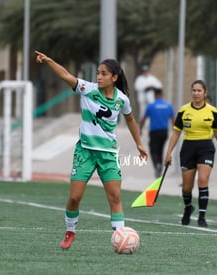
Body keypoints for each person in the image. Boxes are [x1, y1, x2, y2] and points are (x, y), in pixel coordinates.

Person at [34, 51, 148, 249]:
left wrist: (138, 143)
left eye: (104, 73)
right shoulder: (87, 89)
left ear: (114, 77)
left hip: (108, 153)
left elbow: (130, 119)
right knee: (74, 197)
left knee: (115, 196)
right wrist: (50, 61)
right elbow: (65, 76)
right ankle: (70, 231)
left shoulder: (122, 99)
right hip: (85, 152)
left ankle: (120, 237)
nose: (99, 77)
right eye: (98, 73)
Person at [164, 80, 217, 227]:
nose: (196, 93)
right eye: (194, 90)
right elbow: (176, 133)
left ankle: (202, 217)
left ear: (205, 93)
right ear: (191, 92)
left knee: (202, 180)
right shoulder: (183, 110)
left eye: (199, 91)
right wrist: (168, 153)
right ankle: (188, 208)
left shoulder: (212, 111)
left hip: (205, 147)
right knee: (187, 188)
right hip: (188, 148)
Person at [139, 88, 175, 178]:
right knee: (160, 149)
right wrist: (175, 131)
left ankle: (157, 165)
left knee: (153, 150)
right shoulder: (168, 106)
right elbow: (173, 120)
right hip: (164, 131)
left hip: (154, 132)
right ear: (162, 94)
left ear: (155, 95)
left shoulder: (151, 106)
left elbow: (143, 119)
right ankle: (160, 166)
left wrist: (140, 129)